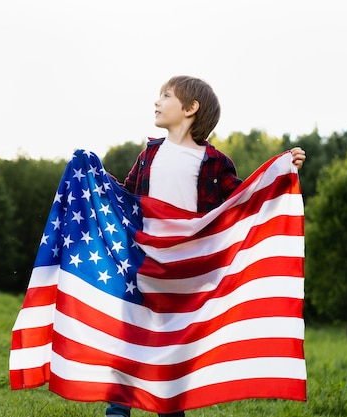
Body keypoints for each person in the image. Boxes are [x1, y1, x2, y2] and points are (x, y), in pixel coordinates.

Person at [104, 75, 306, 417]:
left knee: (173, 349)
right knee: (131, 336)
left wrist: (281, 171)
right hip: (146, 262)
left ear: (190, 108)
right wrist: (93, 177)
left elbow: (243, 202)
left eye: (165, 95)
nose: (157, 101)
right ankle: (117, 410)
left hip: (187, 272)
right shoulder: (149, 154)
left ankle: (169, 409)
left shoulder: (213, 162)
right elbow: (125, 198)